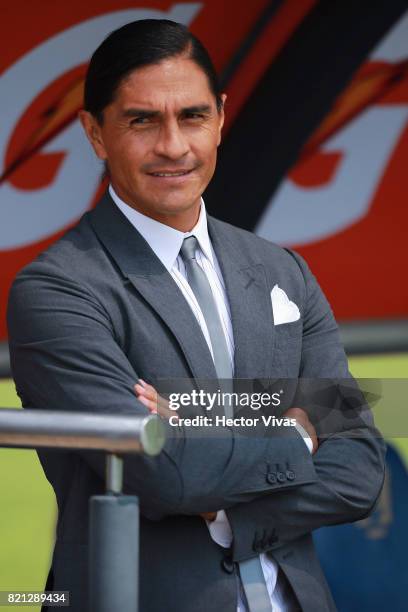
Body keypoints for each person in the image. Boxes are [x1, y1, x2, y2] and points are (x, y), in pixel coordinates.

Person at [7, 19, 385, 612]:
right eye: (142, 121)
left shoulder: (284, 272)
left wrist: (206, 469)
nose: (174, 146)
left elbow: (360, 466)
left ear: (222, 118)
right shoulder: (57, 289)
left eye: (192, 116)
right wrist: (294, 432)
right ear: (95, 133)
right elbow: (163, 475)